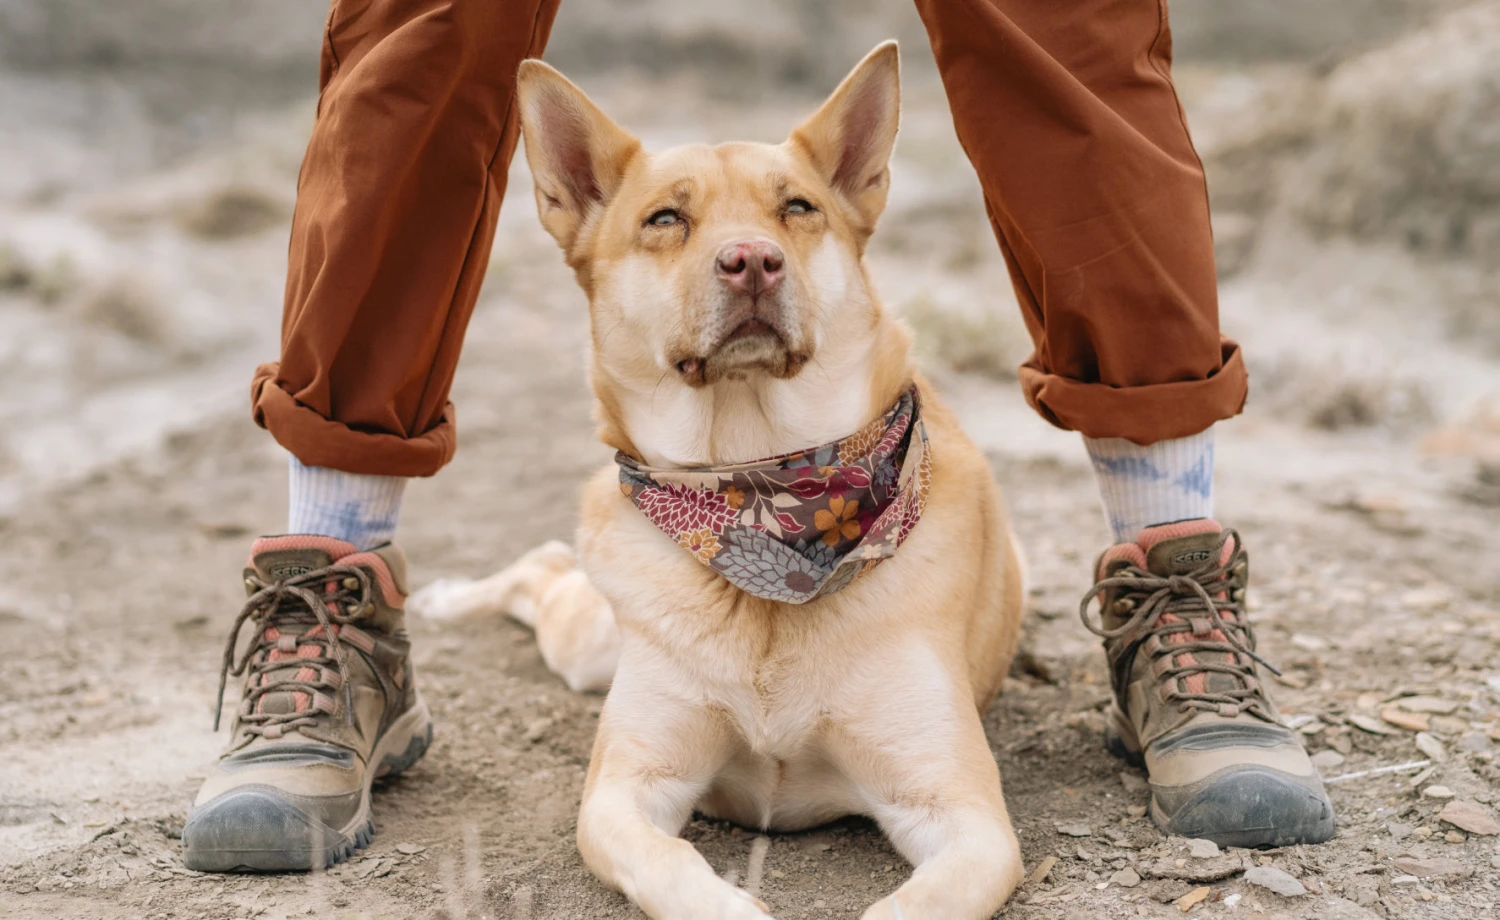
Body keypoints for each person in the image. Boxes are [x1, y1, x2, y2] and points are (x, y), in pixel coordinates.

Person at [181, 0, 1335, 872]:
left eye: (786, 220)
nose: (749, 255)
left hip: (898, 553)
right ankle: (335, 581)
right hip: (668, 533)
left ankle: (1171, 559)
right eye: (680, 228)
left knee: (1062, 20)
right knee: (431, 24)